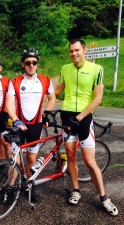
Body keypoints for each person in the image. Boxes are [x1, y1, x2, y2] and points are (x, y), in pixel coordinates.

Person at [55, 39, 118, 216]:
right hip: (67, 116)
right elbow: (57, 91)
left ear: (84, 50)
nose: (73, 54)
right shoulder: (65, 69)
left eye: (77, 50)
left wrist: (80, 117)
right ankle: (76, 190)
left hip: (83, 118)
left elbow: (97, 99)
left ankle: (104, 197)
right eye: (71, 51)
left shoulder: (96, 69)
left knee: (90, 162)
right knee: (71, 156)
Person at [6, 48, 56, 202]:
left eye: (34, 62)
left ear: (37, 63)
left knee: (31, 159)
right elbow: (8, 105)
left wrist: (46, 114)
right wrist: (16, 119)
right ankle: (10, 188)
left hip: (36, 126)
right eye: (28, 62)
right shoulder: (15, 81)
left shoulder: (45, 80)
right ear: (23, 64)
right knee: (15, 160)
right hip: (19, 126)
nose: (31, 65)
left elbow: (52, 98)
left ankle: (29, 186)